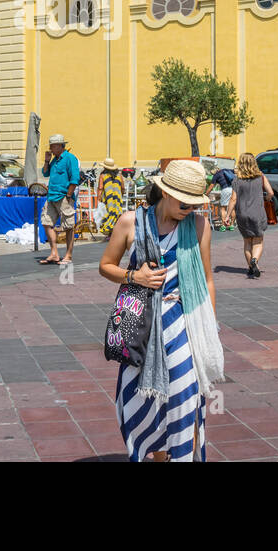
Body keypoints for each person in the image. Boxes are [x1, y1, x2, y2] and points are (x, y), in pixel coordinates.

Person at [98, 159, 223, 462]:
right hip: (142, 327)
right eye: (184, 202)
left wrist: (209, 327)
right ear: (166, 193)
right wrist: (134, 277)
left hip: (183, 322)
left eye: (195, 203)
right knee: (143, 403)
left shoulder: (199, 225)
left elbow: (207, 278)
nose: (189, 208)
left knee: (185, 400)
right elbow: (105, 266)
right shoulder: (131, 222)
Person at [227, 153, 274, 278]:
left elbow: (233, 199)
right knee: (258, 241)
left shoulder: (237, 179)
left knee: (247, 242)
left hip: (242, 214)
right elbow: (270, 192)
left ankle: (250, 267)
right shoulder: (261, 177)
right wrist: (266, 198)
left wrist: (227, 215)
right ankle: (254, 261)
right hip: (258, 213)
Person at [37, 133, 80, 265]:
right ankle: (54, 253)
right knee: (46, 222)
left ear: (60, 146)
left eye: (52, 146)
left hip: (64, 197)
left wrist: (69, 195)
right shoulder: (55, 160)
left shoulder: (70, 158)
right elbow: (45, 173)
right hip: (52, 196)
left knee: (68, 226)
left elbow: (75, 178)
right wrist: (46, 160)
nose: (50, 148)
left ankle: (68, 255)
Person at [97, 158, 125, 237]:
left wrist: (99, 198)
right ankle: (116, 232)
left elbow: (100, 187)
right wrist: (121, 196)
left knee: (108, 213)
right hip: (118, 198)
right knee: (116, 213)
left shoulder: (103, 175)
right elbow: (123, 188)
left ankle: (109, 233)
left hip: (108, 199)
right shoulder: (119, 175)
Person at [210, 163, 236, 232]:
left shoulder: (216, 175)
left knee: (223, 208)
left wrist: (206, 193)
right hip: (233, 189)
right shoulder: (227, 170)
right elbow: (236, 171)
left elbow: (211, 186)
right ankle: (232, 225)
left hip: (225, 189)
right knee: (232, 207)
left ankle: (223, 226)